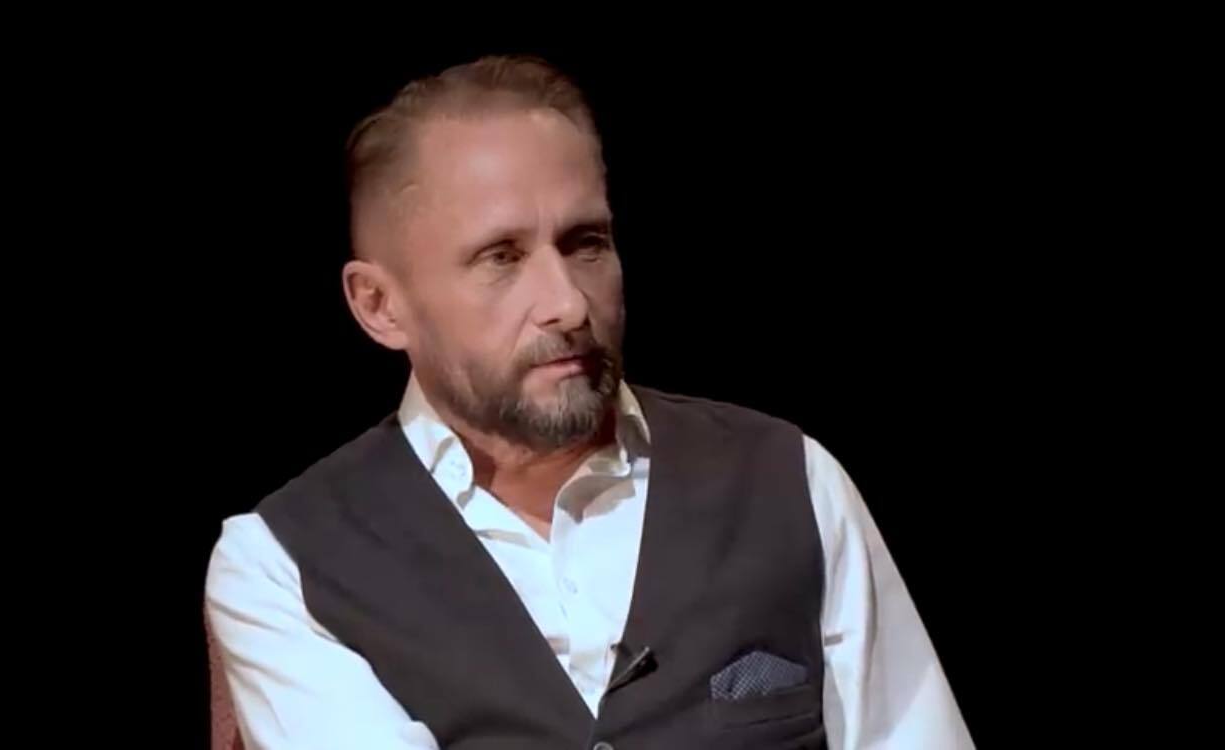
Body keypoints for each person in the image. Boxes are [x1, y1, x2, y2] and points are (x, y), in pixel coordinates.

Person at [205, 54, 972, 749]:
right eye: (501, 257)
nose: (567, 303)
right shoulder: (284, 566)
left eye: (586, 244)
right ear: (380, 305)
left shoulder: (788, 481)